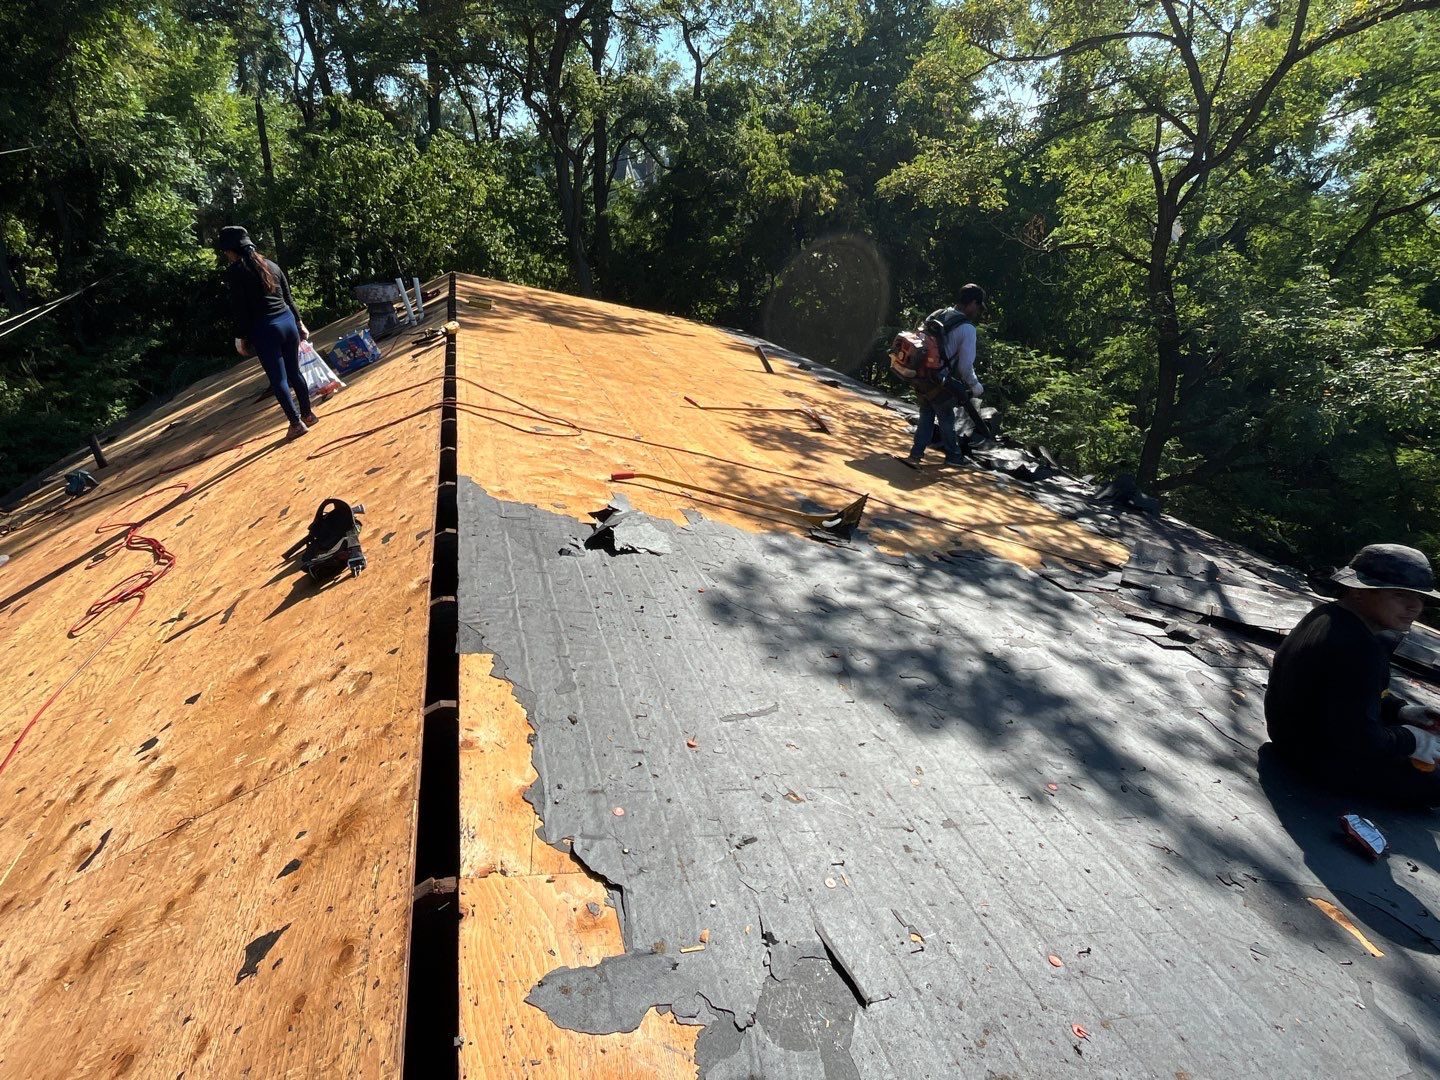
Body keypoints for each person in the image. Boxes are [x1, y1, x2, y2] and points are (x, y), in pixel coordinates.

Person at [1264, 544, 1440, 807]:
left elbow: (1343, 695)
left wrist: (1402, 711)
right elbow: (1361, 741)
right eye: (1400, 595)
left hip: (1289, 736)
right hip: (1319, 759)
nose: (1415, 607)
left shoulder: (1325, 615)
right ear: (1358, 591)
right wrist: (1413, 740)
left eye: (1420, 598)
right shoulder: (1360, 650)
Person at [217, 226, 318, 439]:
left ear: (232, 250)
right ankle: (308, 414)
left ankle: (295, 424)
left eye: (226, 251)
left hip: (265, 329)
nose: (226, 255)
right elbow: (288, 298)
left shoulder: (237, 272)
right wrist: (300, 323)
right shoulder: (271, 265)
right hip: (288, 322)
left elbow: (240, 308)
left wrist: (240, 336)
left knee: (278, 379)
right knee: (294, 372)